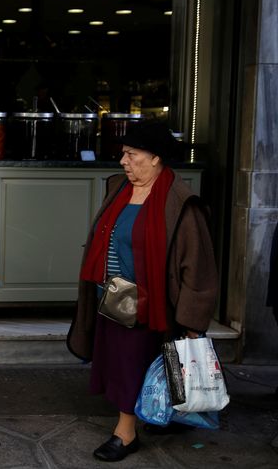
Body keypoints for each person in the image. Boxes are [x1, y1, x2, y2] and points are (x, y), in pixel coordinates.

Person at [66, 120, 218, 462]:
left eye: (132, 155)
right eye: (124, 154)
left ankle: (126, 433)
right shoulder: (119, 188)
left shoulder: (181, 203)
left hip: (153, 303)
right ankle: (163, 413)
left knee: (132, 364)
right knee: (128, 363)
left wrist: (193, 318)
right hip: (115, 296)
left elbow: (198, 265)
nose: (124, 161)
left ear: (155, 158)